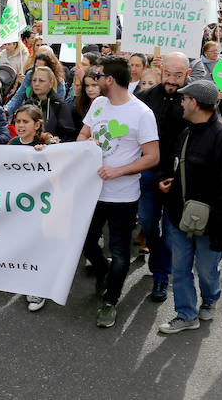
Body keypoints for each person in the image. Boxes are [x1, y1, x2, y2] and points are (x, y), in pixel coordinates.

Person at [77, 56, 159, 328]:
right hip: (92, 191)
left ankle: (110, 301)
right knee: (86, 242)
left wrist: (117, 171)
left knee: (121, 251)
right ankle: (103, 273)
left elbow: (152, 156)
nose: (93, 82)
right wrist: (86, 144)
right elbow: (82, 135)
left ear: (109, 80)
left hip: (122, 196)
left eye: (98, 77)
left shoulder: (142, 113)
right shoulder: (99, 104)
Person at [156, 80, 222, 334]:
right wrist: (166, 180)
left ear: (194, 102)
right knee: (180, 269)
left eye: (184, 99)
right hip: (178, 217)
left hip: (209, 224)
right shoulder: (186, 131)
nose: (180, 103)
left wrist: (220, 234)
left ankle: (210, 298)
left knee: (206, 270)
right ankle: (186, 314)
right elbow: (175, 164)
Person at [133, 51, 192, 301]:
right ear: (160, 70)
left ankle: (160, 276)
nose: (171, 80)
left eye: (178, 76)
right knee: (147, 222)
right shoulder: (144, 98)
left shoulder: (193, 99)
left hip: (178, 178)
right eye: (168, 74)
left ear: (187, 75)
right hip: (148, 174)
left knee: (170, 232)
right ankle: (158, 261)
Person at [8, 104, 59, 312]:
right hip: (19, 205)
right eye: (18, 121)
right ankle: (26, 279)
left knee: (39, 245)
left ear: (37, 125)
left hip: (41, 205)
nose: (20, 125)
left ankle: (39, 289)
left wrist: (47, 151)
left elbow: (62, 159)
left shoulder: (46, 142)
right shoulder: (12, 143)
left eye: (25, 121)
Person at [19, 66, 76, 142]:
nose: (36, 84)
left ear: (51, 84)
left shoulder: (59, 106)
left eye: (41, 81)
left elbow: (69, 137)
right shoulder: (28, 105)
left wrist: (51, 142)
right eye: (34, 80)